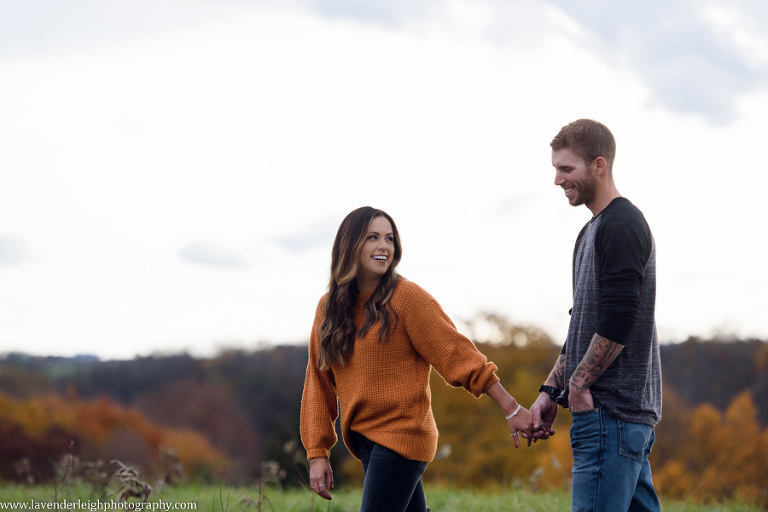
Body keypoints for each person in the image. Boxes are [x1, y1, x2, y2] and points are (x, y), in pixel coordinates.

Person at [300, 206, 535, 512]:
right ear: (350, 245)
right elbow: (318, 384)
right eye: (373, 237)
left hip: (403, 436)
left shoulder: (408, 298)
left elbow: (457, 353)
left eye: (389, 238)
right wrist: (318, 452)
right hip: (365, 441)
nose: (384, 246)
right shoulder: (329, 309)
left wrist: (511, 406)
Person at [529, 119, 662, 512]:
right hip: (615, 416)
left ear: (599, 166)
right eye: (556, 169)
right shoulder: (592, 230)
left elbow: (621, 317)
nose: (557, 179)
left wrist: (581, 385)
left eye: (566, 169)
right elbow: (582, 326)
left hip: (610, 413)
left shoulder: (621, 225)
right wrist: (551, 392)